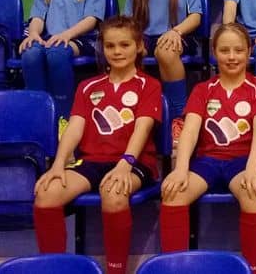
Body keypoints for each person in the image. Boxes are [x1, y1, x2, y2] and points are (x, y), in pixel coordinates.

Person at [33, 15, 161, 274]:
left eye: (124, 45)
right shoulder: (87, 87)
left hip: (134, 162)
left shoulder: (149, 85)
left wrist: (125, 164)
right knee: (47, 194)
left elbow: (142, 129)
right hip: (91, 162)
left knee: (113, 193)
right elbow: (74, 128)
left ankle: (116, 270)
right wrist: (58, 164)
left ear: (139, 46)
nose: (117, 51)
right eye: (110, 46)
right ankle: (54, 268)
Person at [160, 23, 256, 274]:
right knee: (173, 192)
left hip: (244, 160)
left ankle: (254, 269)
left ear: (249, 52)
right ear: (214, 52)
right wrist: (180, 169)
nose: (232, 57)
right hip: (208, 161)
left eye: (238, 50)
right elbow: (190, 132)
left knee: (253, 191)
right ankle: (173, 268)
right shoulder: (203, 90)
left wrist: (253, 168)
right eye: (224, 50)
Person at [20, 0, 106, 120]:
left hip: (83, 39)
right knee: (30, 52)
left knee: (57, 52)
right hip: (52, 38)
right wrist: (34, 34)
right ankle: (37, 115)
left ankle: (63, 117)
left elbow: (91, 20)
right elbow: (37, 18)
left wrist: (66, 35)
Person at [125, 0, 203, 118]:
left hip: (178, 35)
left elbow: (195, 16)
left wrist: (176, 31)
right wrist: (136, 41)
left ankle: (178, 116)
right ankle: (133, 114)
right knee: (123, 51)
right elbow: (128, 20)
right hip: (144, 37)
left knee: (166, 51)